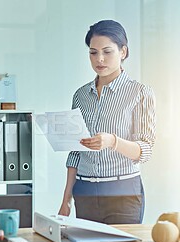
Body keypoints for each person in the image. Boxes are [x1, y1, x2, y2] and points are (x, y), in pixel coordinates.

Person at [58, 20, 156, 224]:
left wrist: (113, 141)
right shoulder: (80, 95)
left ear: (123, 52)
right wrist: (66, 199)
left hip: (123, 193)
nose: (99, 59)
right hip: (84, 192)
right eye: (93, 52)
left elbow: (145, 150)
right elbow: (75, 152)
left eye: (107, 51)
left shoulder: (139, 93)